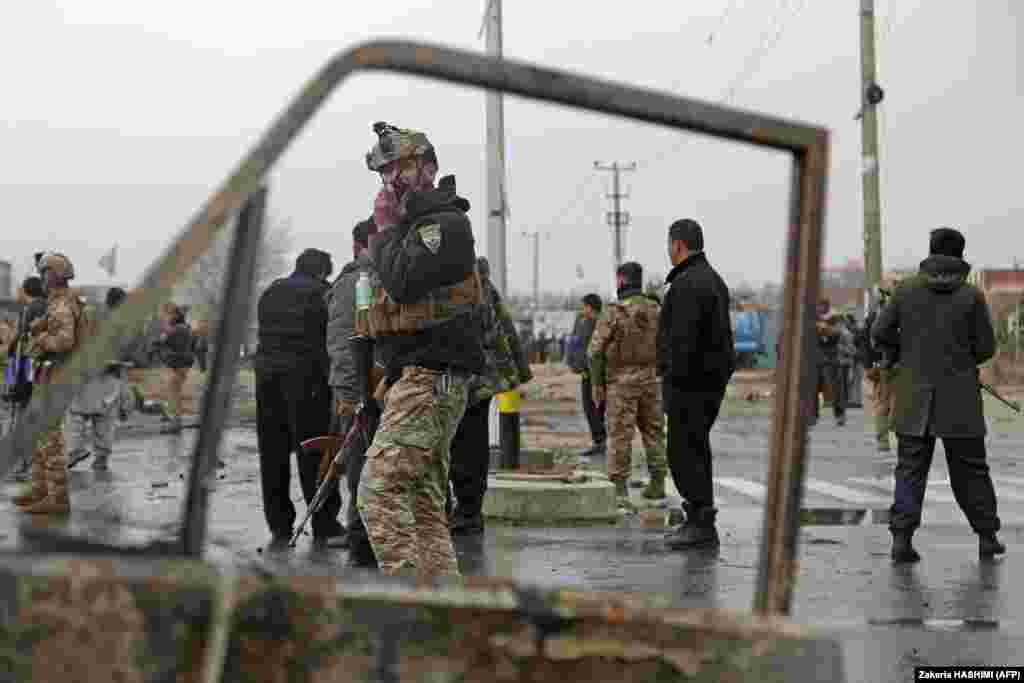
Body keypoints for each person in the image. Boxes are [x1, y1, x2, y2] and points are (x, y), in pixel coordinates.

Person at [355, 121, 484, 578]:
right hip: (418, 376)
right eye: (385, 173)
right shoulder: (414, 229)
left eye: (401, 169)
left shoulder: (445, 225)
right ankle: (444, 611)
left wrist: (386, 229)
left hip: (432, 377)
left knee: (380, 492)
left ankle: (410, 609)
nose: (392, 180)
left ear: (427, 167)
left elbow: (404, 280)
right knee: (425, 504)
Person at [872, 227, 1006, 562]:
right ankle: (987, 537)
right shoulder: (971, 295)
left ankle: (901, 540)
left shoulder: (905, 291)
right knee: (971, 471)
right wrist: (962, 360)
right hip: (960, 399)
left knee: (910, 471)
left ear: (930, 252)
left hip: (913, 398)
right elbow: (986, 347)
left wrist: (906, 352)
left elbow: (879, 333)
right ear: (960, 256)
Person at [255, 248, 346, 550]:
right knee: (314, 451)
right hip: (306, 381)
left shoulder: (269, 292)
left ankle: (279, 523)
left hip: (266, 379)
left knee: (273, 453)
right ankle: (324, 522)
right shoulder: (323, 293)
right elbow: (332, 340)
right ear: (322, 271)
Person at [657, 219, 735, 550]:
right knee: (695, 450)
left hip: (689, 386)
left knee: (685, 452)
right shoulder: (712, 280)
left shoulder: (689, 283)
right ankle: (699, 521)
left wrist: (673, 378)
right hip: (707, 383)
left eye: (669, 245)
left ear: (678, 245)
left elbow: (683, 343)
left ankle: (701, 523)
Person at [449, 255, 531, 536]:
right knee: (469, 444)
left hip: (465, 377)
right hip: (475, 377)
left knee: (464, 446)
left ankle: (467, 510)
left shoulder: (462, 280)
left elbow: (497, 323)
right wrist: (518, 370)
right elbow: (503, 322)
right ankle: (467, 510)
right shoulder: (479, 280)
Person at [589, 262, 668, 507]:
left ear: (621, 281)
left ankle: (620, 491)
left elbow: (594, 352)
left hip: (620, 384)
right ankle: (657, 485)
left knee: (620, 436)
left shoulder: (614, 311)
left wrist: (597, 385)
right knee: (654, 433)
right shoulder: (656, 309)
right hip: (651, 381)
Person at [325, 217, 379, 565]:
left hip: (381, 386)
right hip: (358, 389)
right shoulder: (353, 283)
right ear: (361, 245)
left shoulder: (387, 274)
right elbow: (343, 341)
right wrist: (349, 395)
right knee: (359, 464)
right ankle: (360, 533)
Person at [13, 253, 82, 514]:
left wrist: (41, 340)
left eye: (44, 273)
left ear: (53, 274)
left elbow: (65, 340)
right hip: (48, 374)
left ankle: (58, 498)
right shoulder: (57, 302)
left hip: (56, 375)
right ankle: (41, 487)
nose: (41, 278)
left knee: (49, 436)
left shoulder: (62, 304)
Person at [65, 287, 132, 471]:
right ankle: (101, 456)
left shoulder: (88, 315)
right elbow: (129, 352)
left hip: (85, 374)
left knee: (76, 414)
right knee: (105, 419)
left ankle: (75, 449)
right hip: (110, 375)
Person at [567, 294, 607, 457]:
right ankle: (600, 441)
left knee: (594, 407)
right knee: (593, 407)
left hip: (596, 373)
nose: (582, 310)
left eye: (584, 307)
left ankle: (600, 441)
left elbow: (593, 350)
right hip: (587, 372)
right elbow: (577, 345)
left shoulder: (599, 324)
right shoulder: (584, 322)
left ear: (590, 307)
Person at [863, 284, 898, 452]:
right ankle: (883, 438)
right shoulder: (878, 318)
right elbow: (867, 342)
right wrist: (869, 364)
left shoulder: (876, 317)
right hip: (885, 364)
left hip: (887, 364)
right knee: (885, 402)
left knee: (885, 403)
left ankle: (884, 437)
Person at [155, 303, 194, 434]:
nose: (168, 318)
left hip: (180, 364)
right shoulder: (186, 328)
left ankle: (176, 424)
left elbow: (162, 341)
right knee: (175, 392)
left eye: (170, 315)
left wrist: (160, 341)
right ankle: (175, 422)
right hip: (184, 364)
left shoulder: (176, 329)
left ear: (176, 316)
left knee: (174, 394)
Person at [814, 299, 848, 427]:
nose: (820, 309)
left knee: (835, 389)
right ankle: (812, 415)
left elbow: (838, 334)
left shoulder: (835, 318)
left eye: (822, 306)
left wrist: (826, 329)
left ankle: (840, 414)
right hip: (816, 358)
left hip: (831, 359)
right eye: (819, 306)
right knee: (813, 388)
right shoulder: (812, 318)